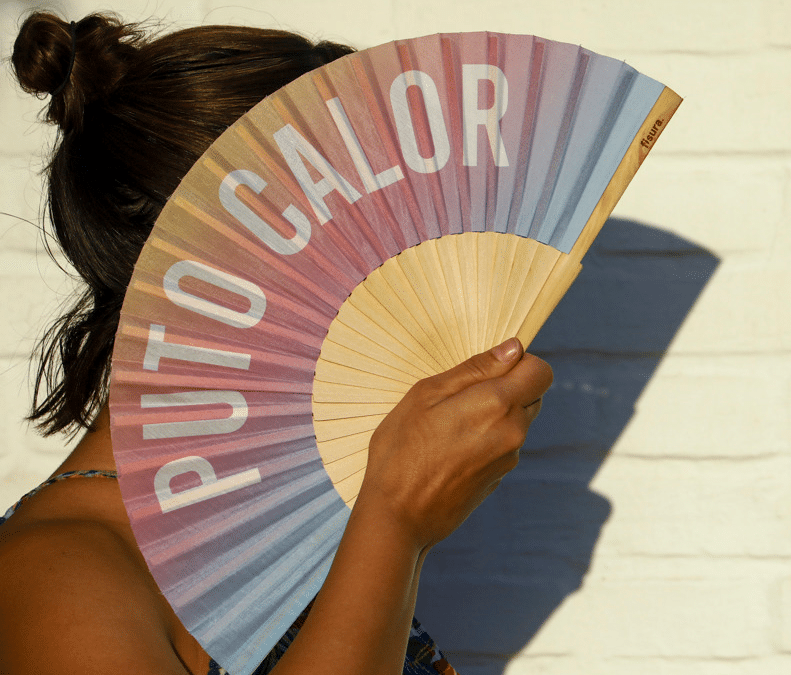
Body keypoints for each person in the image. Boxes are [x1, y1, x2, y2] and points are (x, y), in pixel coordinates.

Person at [0, 12, 552, 675]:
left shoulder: (273, 538)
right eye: (367, 239)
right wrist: (395, 518)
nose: (399, 274)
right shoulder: (59, 576)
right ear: (223, 261)